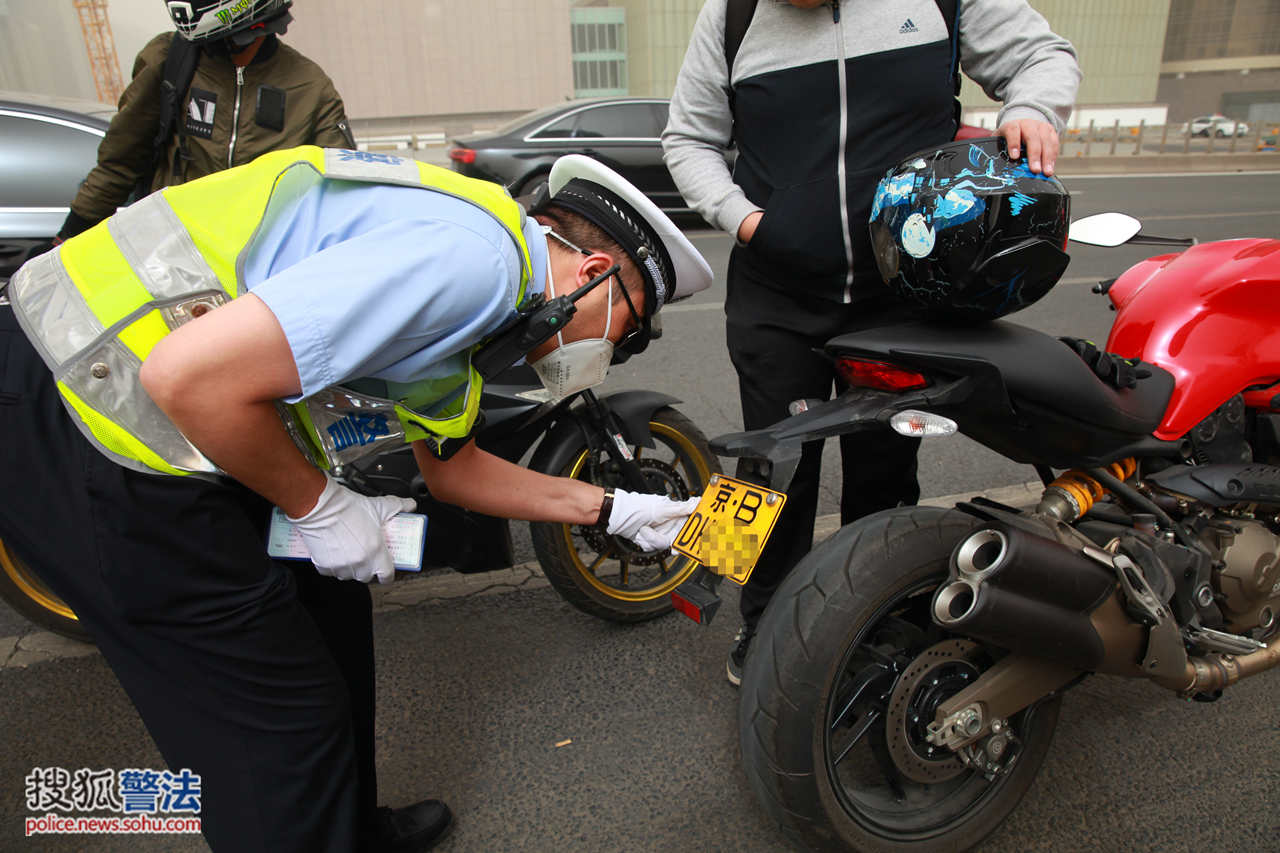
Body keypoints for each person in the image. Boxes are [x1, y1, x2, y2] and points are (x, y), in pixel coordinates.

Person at [0, 148, 711, 852]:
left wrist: (611, 510)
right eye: (625, 330)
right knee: (277, 718)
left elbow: (452, 470)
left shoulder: (486, 273)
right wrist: (320, 507)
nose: (610, 355)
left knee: (330, 609)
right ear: (594, 276)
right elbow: (190, 381)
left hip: (172, 418)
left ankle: (344, 831)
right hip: (86, 410)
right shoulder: (476, 267)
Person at [661, 0, 1081, 685]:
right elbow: (687, 139)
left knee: (885, 470)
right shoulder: (732, 15)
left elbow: (1044, 56)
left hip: (903, 291)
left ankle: (877, 616)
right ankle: (761, 619)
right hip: (777, 287)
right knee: (771, 469)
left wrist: (1031, 108)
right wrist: (749, 223)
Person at [55, 0, 352, 242]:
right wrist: (67, 238)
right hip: (173, 249)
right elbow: (121, 160)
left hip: (260, 260)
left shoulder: (310, 86)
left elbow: (341, 188)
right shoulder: (170, 61)